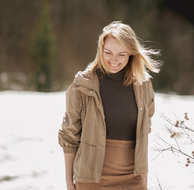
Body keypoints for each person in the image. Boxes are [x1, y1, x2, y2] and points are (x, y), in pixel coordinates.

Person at [58, 21, 161, 190]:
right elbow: (69, 136)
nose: (114, 60)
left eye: (121, 54)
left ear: (131, 54)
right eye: (108, 52)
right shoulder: (83, 85)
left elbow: (144, 132)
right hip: (91, 179)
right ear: (100, 50)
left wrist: (144, 178)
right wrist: (69, 182)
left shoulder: (144, 85)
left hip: (133, 179)